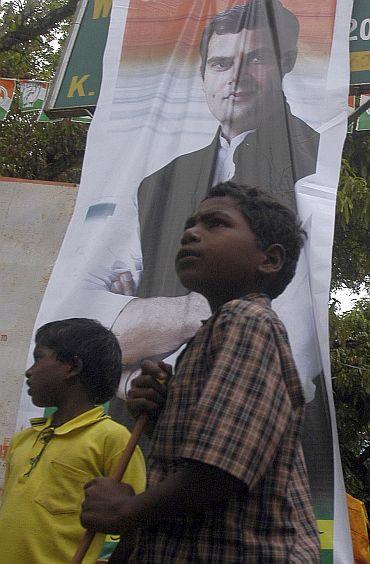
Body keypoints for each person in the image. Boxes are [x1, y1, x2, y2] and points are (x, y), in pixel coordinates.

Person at [80, 183, 321, 562]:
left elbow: (220, 469)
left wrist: (126, 511)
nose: (190, 232)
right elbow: (199, 452)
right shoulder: (209, 335)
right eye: (191, 224)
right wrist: (161, 414)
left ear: (270, 260)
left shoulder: (247, 319)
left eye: (216, 224)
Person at [0, 318, 146, 564]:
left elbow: (136, 528)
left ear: (72, 367)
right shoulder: (23, 440)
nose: (29, 371)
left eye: (39, 358)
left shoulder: (113, 439)